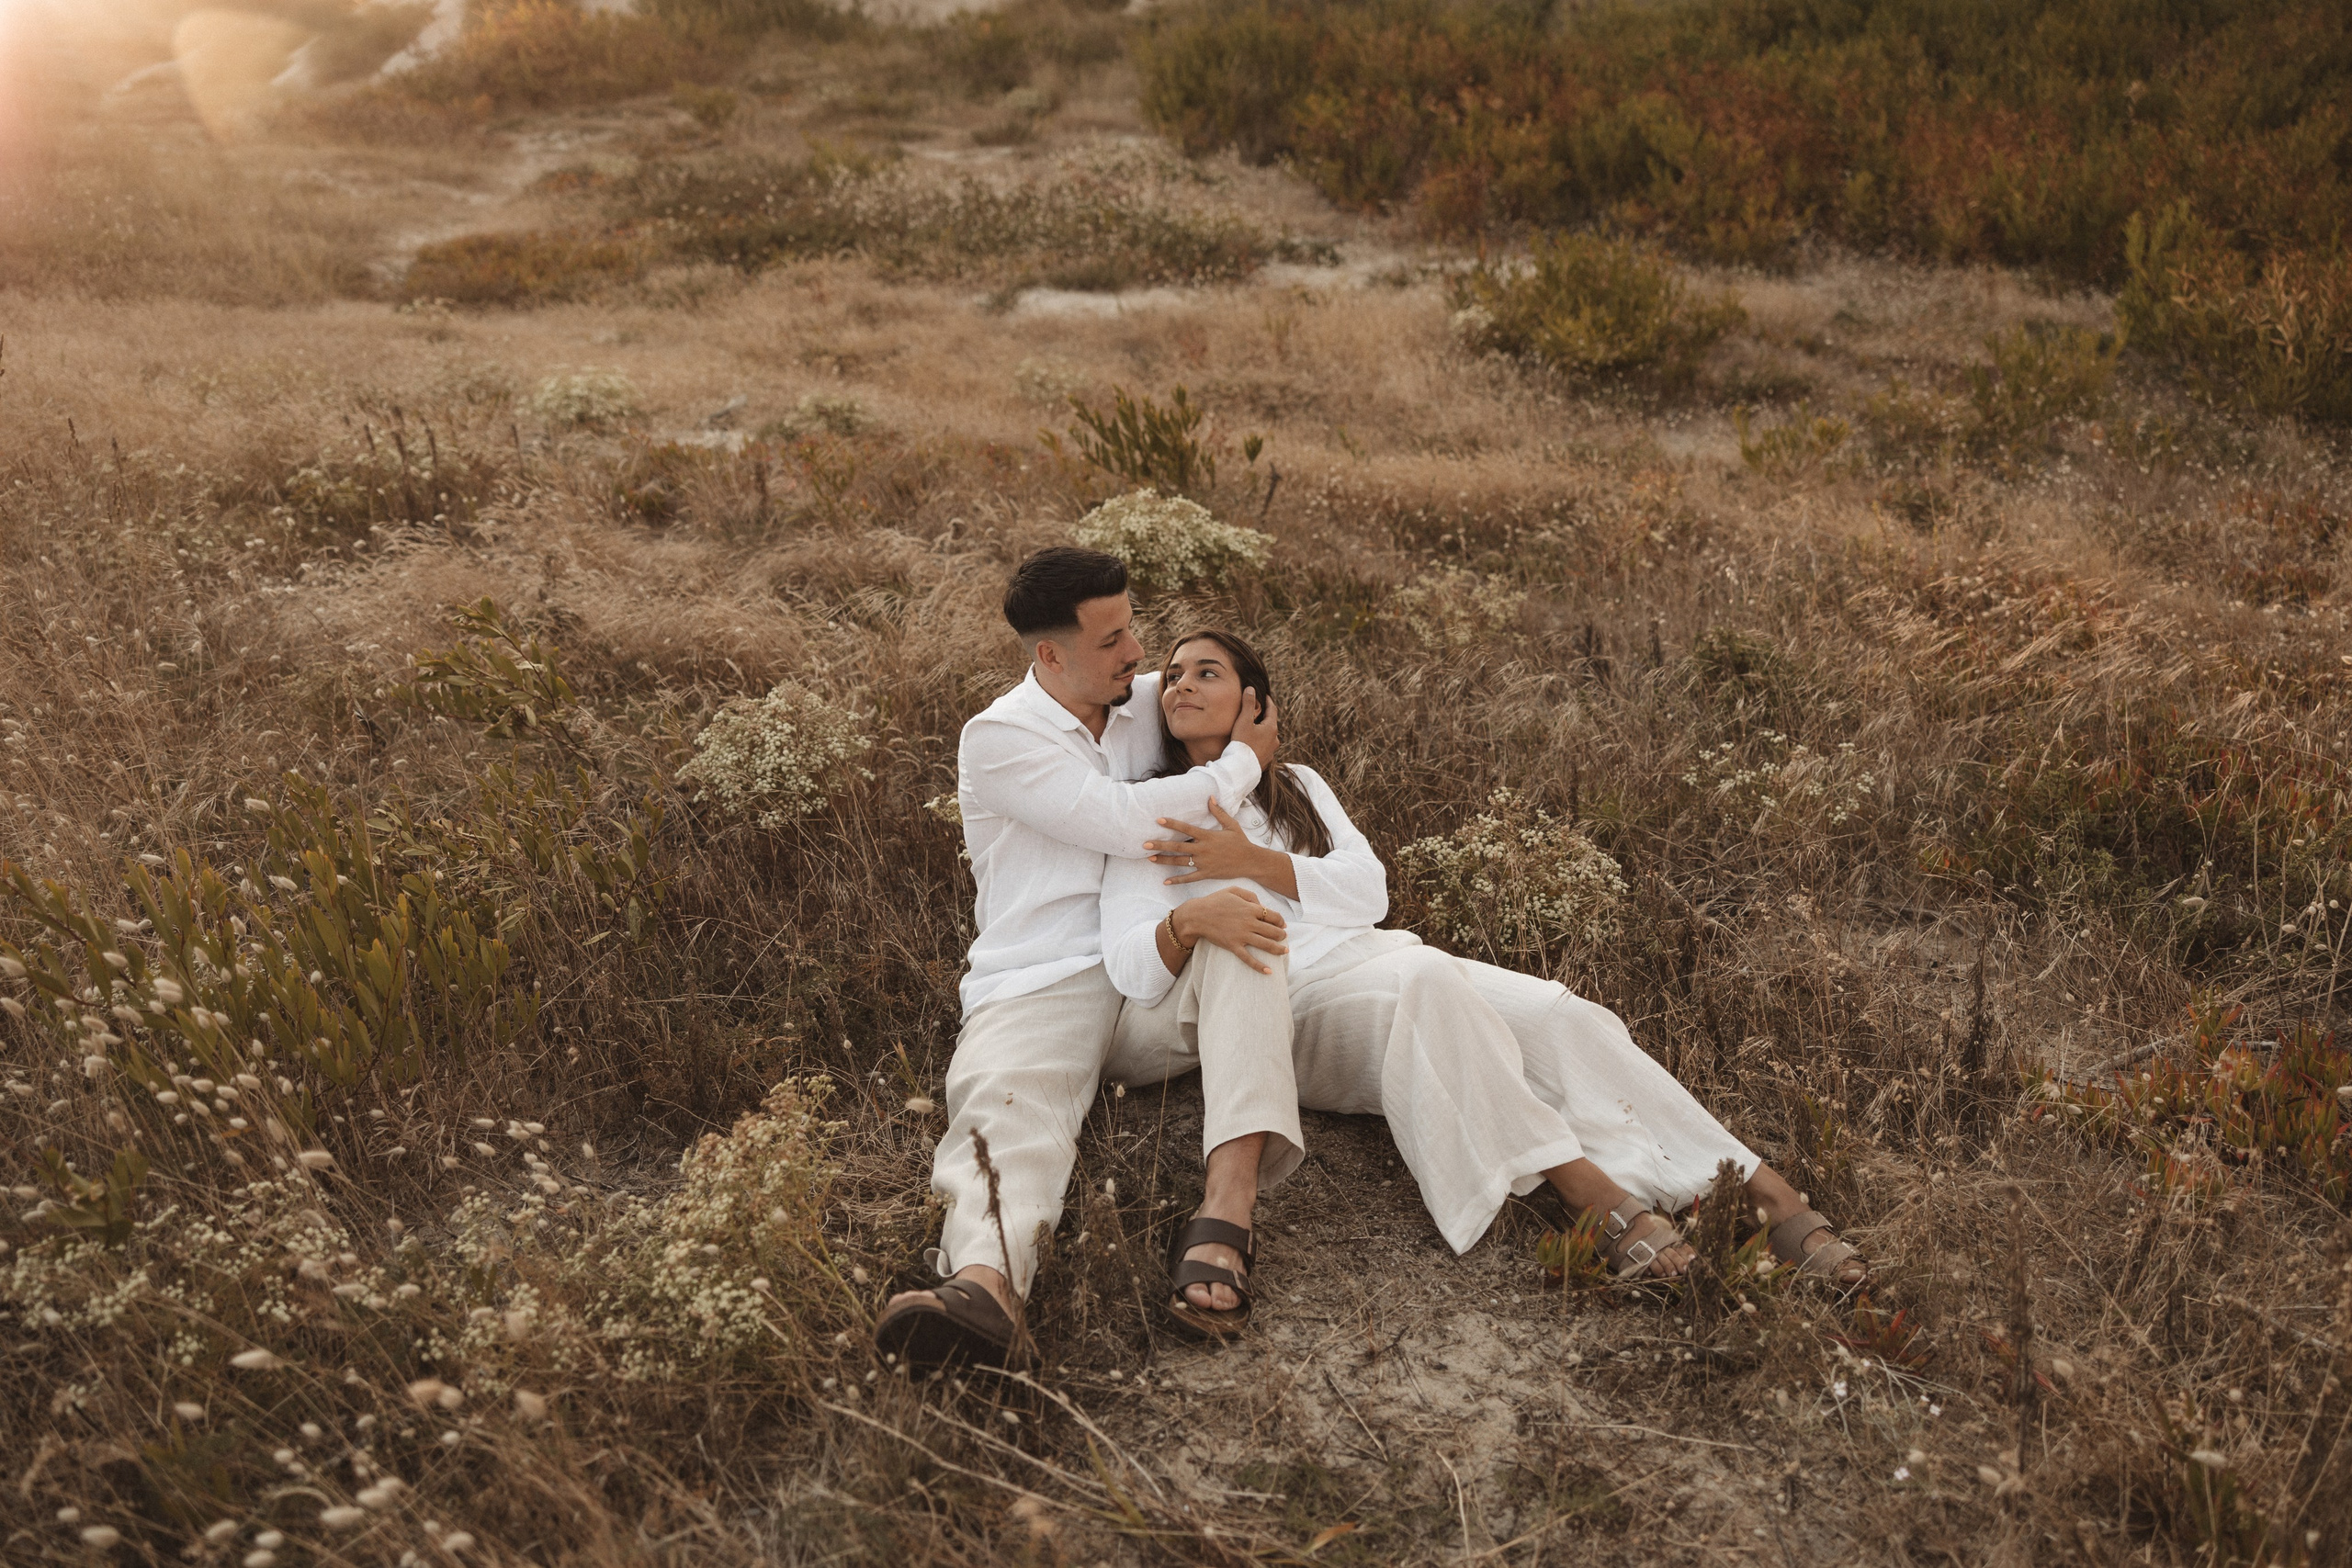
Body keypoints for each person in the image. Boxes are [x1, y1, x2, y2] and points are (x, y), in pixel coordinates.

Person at [1101, 627, 1869, 1336]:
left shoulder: (1297, 784)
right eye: (1170, 676)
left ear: (1255, 703)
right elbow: (1132, 965)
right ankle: (1590, 1196)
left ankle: (1756, 1188)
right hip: (1293, 1003)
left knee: (1565, 1015)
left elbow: (1369, 892)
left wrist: (1252, 862)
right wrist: (1196, 918)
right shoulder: (1147, 810)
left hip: (1376, 954)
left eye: (1208, 671)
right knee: (1430, 978)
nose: (1180, 685)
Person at [873, 550, 1296, 1369]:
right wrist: (1244, 763)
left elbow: (1224, 699)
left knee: (1243, 931)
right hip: (1047, 972)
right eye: (1112, 640)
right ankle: (987, 1287)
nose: (1137, 652)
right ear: (1050, 656)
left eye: (1132, 625)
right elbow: (1123, 819)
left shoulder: (1143, 700)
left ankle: (1229, 1212)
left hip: (1152, 977)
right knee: (1008, 1104)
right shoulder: (1000, 737)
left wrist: (1243, 724)